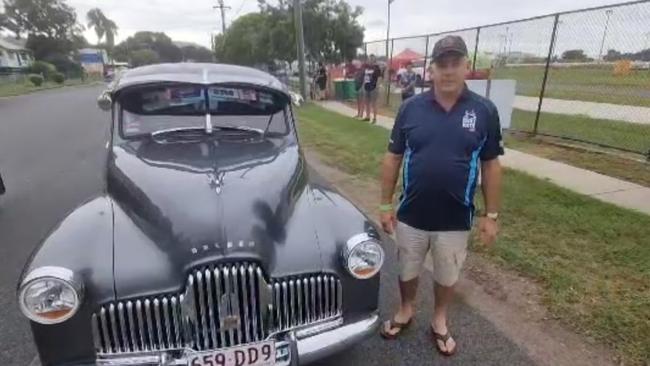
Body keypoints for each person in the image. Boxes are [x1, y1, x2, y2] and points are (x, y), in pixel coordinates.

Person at [378, 35, 504, 357]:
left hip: (455, 217)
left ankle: (439, 319)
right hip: (411, 214)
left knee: (447, 274)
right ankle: (406, 309)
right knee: (407, 269)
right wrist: (384, 204)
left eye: (455, 64)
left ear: (467, 67)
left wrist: (491, 216)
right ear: (431, 69)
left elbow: (491, 164)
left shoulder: (484, 110)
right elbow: (393, 157)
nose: (448, 71)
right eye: (441, 64)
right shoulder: (410, 109)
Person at [362, 54, 382, 123]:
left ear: (374, 59)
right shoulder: (367, 68)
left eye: (372, 59)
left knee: (374, 103)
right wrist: (364, 84)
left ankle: (375, 118)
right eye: (369, 59)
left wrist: (377, 86)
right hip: (367, 86)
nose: (370, 60)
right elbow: (365, 77)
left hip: (373, 87)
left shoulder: (376, 68)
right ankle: (368, 116)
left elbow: (379, 78)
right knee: (367, 103)